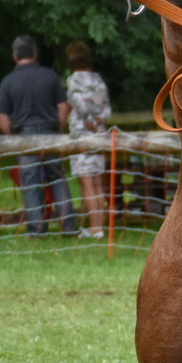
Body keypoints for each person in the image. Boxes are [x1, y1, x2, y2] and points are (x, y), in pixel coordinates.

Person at [0, 35, 76, 237]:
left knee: (30, 183)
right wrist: (58, 129)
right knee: (57, 178)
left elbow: (2, 116)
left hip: (24, 136)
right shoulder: (50, 76)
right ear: (35, 53)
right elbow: (63, 106)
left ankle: (36, 228)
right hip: (50, 133)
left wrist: (13, 137)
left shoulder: (8, 81)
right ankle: (68, 224)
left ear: (15, 56)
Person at [65, 41, 112, 239]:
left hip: (82, 133)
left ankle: (95, 229)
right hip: (99, 134)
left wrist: (89, 122)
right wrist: (99, 121)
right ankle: (99, 227)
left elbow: (79, 105)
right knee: (98, 183)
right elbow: (107, 108)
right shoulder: (98, 80)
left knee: (87, 183)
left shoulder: (74, 80)